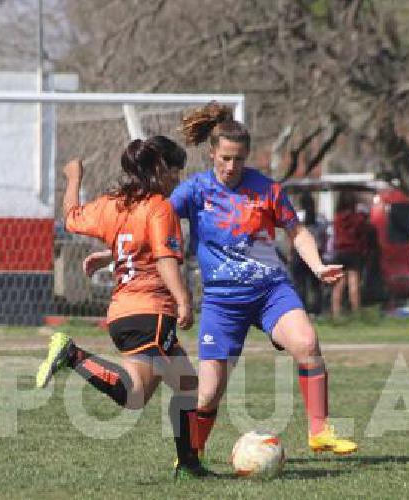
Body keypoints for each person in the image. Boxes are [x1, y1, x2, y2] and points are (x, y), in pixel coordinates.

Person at [83, 103, 359, 458]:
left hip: (271, 291)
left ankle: (320, 431)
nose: (232, 167)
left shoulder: (266, 190)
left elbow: (297, 231)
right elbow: (151, 224)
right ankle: (192, 460)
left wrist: (318, 266)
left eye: (239, 159)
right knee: (208, 393)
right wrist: (113, 254)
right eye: (225, 158)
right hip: (222, 302)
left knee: (307, 344)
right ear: (212, 152)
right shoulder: (194, 191)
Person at [34, 136, 212, 479]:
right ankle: (72, 354)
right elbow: (163, 258)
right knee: (133, 395)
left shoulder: (113, 204)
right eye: (174, 171)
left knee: (187, 384)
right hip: (152, 312)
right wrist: (184, 300)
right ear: (160, 169)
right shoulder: (160, 206)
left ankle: (189, 464)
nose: (177, 179)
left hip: (123, 311)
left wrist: (74, 178)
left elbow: (71, 218)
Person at [330, 191, 372, 318]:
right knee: (354, 283)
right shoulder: (357, 218)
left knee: (339, 284)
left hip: (340, 251)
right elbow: (364, 224)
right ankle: (356, 311)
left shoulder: (337, 218)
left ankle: (336, 312)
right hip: (354, 251)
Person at [287, 192, 327, 316]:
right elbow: (324, 236)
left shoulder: (297, 216)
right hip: (315, 253)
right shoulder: (320, 218)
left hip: (298, 255)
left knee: (300, 284)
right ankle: (317, 310)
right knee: (315, 285)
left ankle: (302, 309)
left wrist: (290, 253)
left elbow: (292, 236)